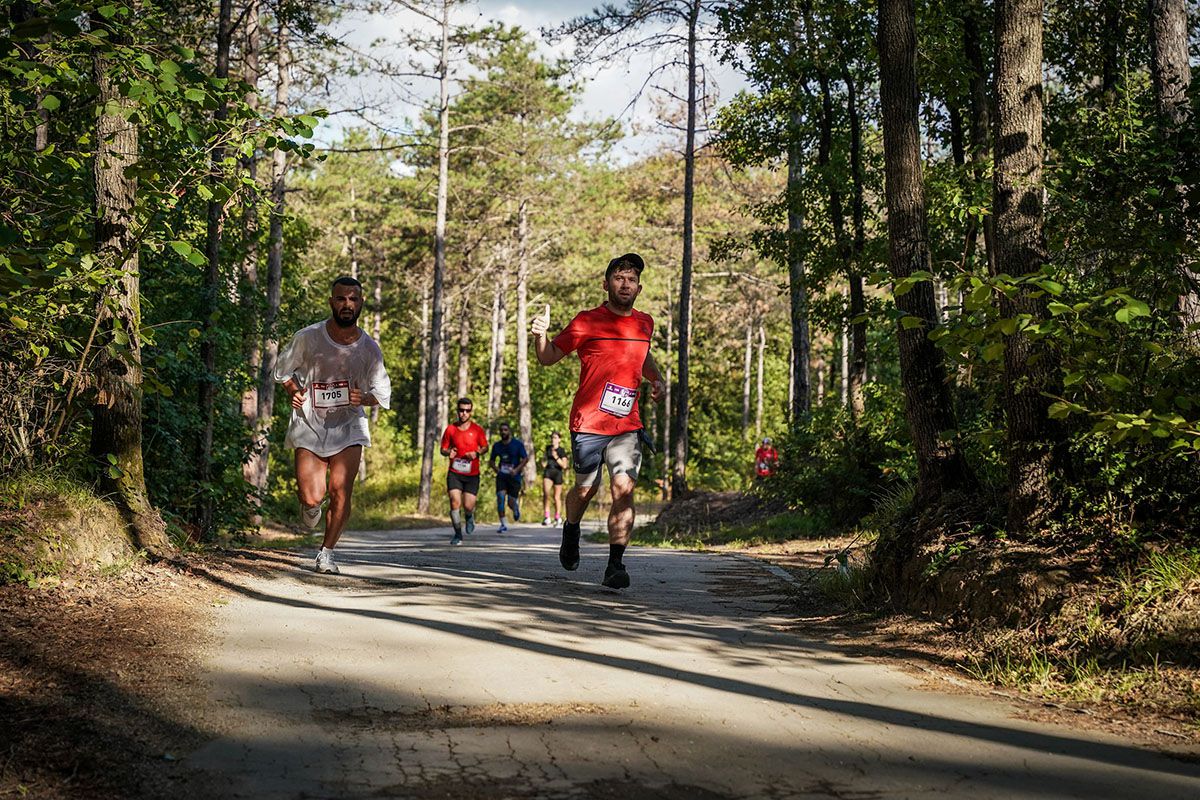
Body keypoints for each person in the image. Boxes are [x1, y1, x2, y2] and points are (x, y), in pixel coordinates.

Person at [531, 252, 665, 589]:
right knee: (585, 490)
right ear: (606, 284)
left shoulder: (644, 323)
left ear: (639, 287)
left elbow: (643, 357)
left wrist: (657, 380)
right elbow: (548, 358)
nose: (625, 284)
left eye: (632, 279)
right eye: (619, 278)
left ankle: (615, 565)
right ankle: (571, 527)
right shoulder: (586, 321)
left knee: (624, 489)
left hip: (627, 425)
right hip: (588, 423)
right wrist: (539, 335)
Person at [276, 276, 391, 575]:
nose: (347, 304)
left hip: (349, 427)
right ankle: (310, 506)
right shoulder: (309, 337)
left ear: (361, 303)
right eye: (341, 299)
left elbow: (382, 394)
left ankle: (326, 553)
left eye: (353, 299)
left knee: (341, 491)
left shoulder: (369, 349)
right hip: (309, 425)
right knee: (312, 496)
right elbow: (282, 371)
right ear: (331, 302)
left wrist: (363, 397)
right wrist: (294, 392)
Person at [439, 397, 487, 546]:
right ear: (457, 411)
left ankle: (469, 516)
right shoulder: (450, 429)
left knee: (468, 505)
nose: (464, 413)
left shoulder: (477, 430)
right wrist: (448, 453)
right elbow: (443, 449)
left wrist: (476, 453)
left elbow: (485, 447)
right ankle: (458, 534)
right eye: (461, 410)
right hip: (455, 472)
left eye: (467, 410)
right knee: (454, 502)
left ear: (471, 412)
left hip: (472, 474)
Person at [489, 422, 528, 533]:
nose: (503, 432)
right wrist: (497, 470)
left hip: (514, 477)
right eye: (501, 430)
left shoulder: (517, 444)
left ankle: (515, 509)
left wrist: (516, 470)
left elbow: (525, 459)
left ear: (509, 431)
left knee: (511, 502)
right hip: (502, 476)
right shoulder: (497, 446)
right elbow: (491, 461)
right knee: (500, 498)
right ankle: (503, 524)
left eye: (505, 430)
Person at [541, 431, 569, 526]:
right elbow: (544, 460)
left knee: (556, 497)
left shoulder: (561, 450)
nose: (553, 440)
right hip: (548, 472)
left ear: (559, 440)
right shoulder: (548, 448)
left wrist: (556, 457)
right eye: (552, 437)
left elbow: (564, 465)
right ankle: (547, 516)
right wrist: (543, 462)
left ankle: (557, 517)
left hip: (557, 473)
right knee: (546, 494)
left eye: (556, 438)